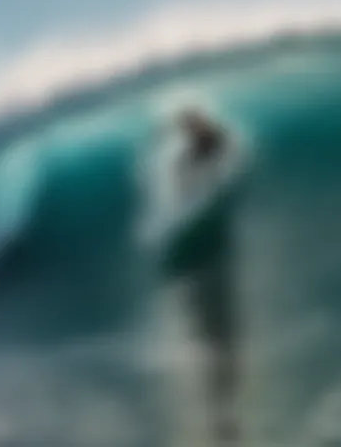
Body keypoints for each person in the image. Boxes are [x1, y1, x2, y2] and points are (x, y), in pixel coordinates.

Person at [138, 103, 247, 443]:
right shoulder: (185, 158)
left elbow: (225, 151)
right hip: (201, 263)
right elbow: (183, 185)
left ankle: (225, 419)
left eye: (193, 124)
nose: (190, 130)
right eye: (187, 126)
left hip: (214, 263)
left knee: (224, 345)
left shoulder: (216, 140)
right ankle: (221, 419)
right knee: (213, 345)